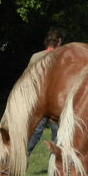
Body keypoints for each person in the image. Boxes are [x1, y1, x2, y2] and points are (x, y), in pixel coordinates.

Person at [26, 28, 64, 156]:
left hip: (38, 103)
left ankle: (19, 161)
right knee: (58, 138)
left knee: (32, 135)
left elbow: (28, 81)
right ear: (58, 41)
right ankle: (55, 167)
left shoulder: (35, 57)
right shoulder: (63, 58)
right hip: (57, 105)